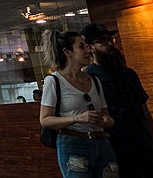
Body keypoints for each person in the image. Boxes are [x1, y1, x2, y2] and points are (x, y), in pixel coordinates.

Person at [83, 23, 153, 178]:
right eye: (102, 41)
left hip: (144, 146)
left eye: (110, 39)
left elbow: (145, 112)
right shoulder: (89, 78)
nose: (109, 44)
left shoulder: (129, 74)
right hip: (117, 150)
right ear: (90, 48)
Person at [40, 29, 116, 178]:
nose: (88, 50)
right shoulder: (54, 81)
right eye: (81, 46)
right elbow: (45, 120)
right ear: (67, 52)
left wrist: (107, 120)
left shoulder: (94, 80)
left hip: (101, 142)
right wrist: (77, 118)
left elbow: (106, 115)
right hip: (73, 144)